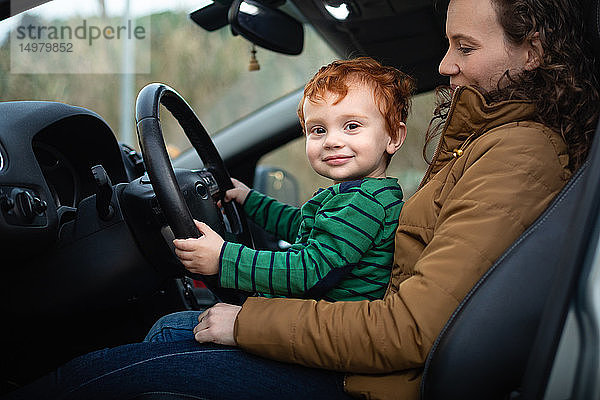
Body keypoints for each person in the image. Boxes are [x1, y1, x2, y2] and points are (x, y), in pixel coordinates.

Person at [5, 0, 599, 399]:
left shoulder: (520, 154)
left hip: (370, 380)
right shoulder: (487, 145)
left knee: (96, 381)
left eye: (464, 48)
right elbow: (322, 234)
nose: (444, 64)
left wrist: (245, 320)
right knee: (161, 336)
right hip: (366, 362)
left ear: (535, 51)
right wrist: (246, 206)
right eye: (318, 129)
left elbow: (409, 329)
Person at [171, 57, 412, 303]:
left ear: (393, 137)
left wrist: (224, 259)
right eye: (318, 130)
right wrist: (249, 199)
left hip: (319, 329)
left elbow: (308, 271)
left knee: (167, 330)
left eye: (351, 126)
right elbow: (300, 224)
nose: (331, 141)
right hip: (310, 321)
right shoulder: (359, 196)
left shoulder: (363, 203)